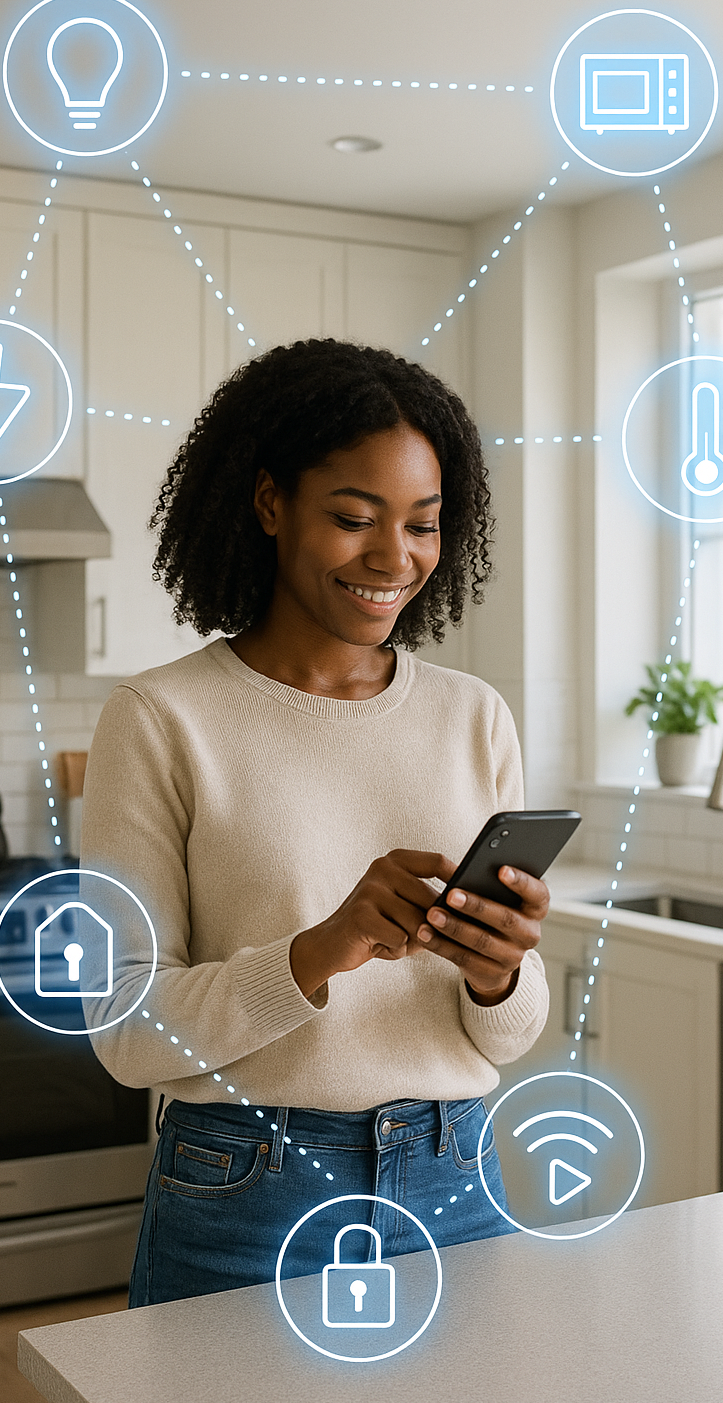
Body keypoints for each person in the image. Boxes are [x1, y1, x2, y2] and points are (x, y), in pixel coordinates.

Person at [80, 338, 551, 1306]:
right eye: (353, 518)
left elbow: (507, 1038)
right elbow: (125, 1033)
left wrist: (499, 973)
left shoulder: (474, 716)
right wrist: (320, 951)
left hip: (457, 1180)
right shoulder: (162, 718)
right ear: (269, 504)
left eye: (423, 524)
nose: (394, 557)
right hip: (249, 1190)